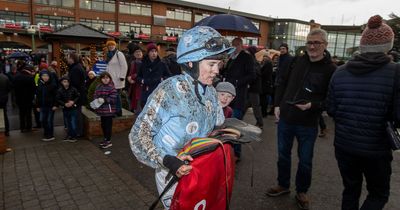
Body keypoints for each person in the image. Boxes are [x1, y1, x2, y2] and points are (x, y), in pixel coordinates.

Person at [129, 26, 233, 209]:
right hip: (172, 175)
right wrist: (169, 161)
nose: (217, 71)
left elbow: (216, 126)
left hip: (201, 170)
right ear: (191, 62)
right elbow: (138, 136)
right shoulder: (168, 91)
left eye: (219, 64)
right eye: (211, 64)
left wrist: (230, 132)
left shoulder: (210, 92)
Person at [327, 15, 396, 210]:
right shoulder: (395, 72)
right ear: (388, 44)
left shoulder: (340, 72)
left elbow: (331, 108)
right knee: (378, 193)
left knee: (350, 190)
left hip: (344, 145)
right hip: (377, 148)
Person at [266, 29, 336, 210]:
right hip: (286, 119)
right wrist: (278, 105)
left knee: (305, 160)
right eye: (309, 42)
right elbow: (282, 82)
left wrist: (313, 106)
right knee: (283, 155)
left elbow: (331, 99)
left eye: (317, 43)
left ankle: (302, 191)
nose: (312, 46)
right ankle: (283, 185)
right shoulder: (296, 61)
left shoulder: (330, 69)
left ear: (325, 45)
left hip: (308, 122)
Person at [222, 37, 256, 159]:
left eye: (237, 44)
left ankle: (237, 153)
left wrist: (236, 82)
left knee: (235, 126)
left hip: (239, 96)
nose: (235, 47)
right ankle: (230, 152)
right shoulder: (231, 58)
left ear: (241, 45)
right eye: (233, 44)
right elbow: (226, 72)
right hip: (227, 98)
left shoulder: (246, 57)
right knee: (227, 125)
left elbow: (252, 75)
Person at [137, 43, 170, 107]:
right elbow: (138, 77)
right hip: (146, 90)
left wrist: (162, 79)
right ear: (148, 53)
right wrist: (142, 81)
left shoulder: (162, 64)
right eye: (152, 51)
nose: (154, 53)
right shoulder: (143, 64)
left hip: (158, 90)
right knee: (146, 108)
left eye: (155, 51)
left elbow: (169, 75)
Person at [94, 72, 117, 149]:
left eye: (107, 78)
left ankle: (108, 140)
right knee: (103, 125)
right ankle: (105, 139)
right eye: (103, 78)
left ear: (110, 79)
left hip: (109, 111)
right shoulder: (98, 87)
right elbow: (95, 95)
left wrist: (104, 99)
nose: (105, 79)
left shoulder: (112, 87)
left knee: (108, 126)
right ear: (101, 79)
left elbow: (113, 98)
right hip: (101, 110)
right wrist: (96, 100)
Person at [105, 39, 128, 117]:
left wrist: (122, 76)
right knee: (113, 95)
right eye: (109, 45)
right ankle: (114, 110)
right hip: (110, 79)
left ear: (115, 46)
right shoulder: (108, 54)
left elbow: (124, 66)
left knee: (116, 95)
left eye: (112, 45)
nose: (111, 46)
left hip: (118, 79)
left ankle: (118, 111)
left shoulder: (119, 54)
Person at [67, 52, 86, 137]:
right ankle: (78, 131)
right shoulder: (76, 67)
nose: (67, 59)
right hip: (78, 94)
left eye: (68, 57)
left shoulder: (75, 68)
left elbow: (75, 84)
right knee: (77, 113)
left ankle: (78, 132)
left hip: (77, 95)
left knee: (77, 114)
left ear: (72, 59)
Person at [56, 76, 80, 142]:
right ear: (61, 82)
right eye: (64, 82)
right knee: (67, 123)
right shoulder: (60, 90)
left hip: (73, 109)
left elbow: (78, 96)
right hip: (65, 109)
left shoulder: (73, 89)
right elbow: (58, 99)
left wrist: (73, 101)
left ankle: (74, 136)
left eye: (67, 81)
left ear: (69, 82)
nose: (66, 83)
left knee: (73, 123)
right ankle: (69, 135)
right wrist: (64, 104)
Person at [13, 63, 36, 133]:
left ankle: (22, 128)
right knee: (28, 114)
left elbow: (14, 89)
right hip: (28, 99)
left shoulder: (16, 77)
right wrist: (32, 98)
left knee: (21, 114)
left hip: (19, 99)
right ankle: (29, 127)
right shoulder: (30, 77)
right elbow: (33, 89)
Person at [36, 70, 57, 141]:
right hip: (42, 106)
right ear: (41, 77)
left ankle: (50, 135)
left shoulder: (53, 85)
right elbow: (38, 96)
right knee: (43, 120)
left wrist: (55, 105)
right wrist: (38, 106)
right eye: (43, 76)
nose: (45, 77)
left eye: (46, 76)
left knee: (49, 120)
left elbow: (56, 96)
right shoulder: (40, 84)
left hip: (51, 106)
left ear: (49, 76)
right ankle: (46, 133)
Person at [247, 46, 264, 128]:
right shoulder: (253, 60)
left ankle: (260, 122)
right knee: (247, 104)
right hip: (253, 87)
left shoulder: (252, 61)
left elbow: (254, 75)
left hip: (253, 88)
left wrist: (248, 83)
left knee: (255, 106)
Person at [126, 43, 143, 113]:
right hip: (132, 86)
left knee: (139, 106)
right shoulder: (132, 62)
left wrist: (132, 77)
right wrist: (128, 78)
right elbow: (128, 72)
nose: (138, 53)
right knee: (133, 106)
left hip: (141, 87)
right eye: (136, 52)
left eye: (139, 51)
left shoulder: (145, 62)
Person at [0, 68, 11, 136]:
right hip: (4, 98)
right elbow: (9, 88)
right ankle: (7, 131)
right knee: (4, 114)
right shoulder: (5, 77)